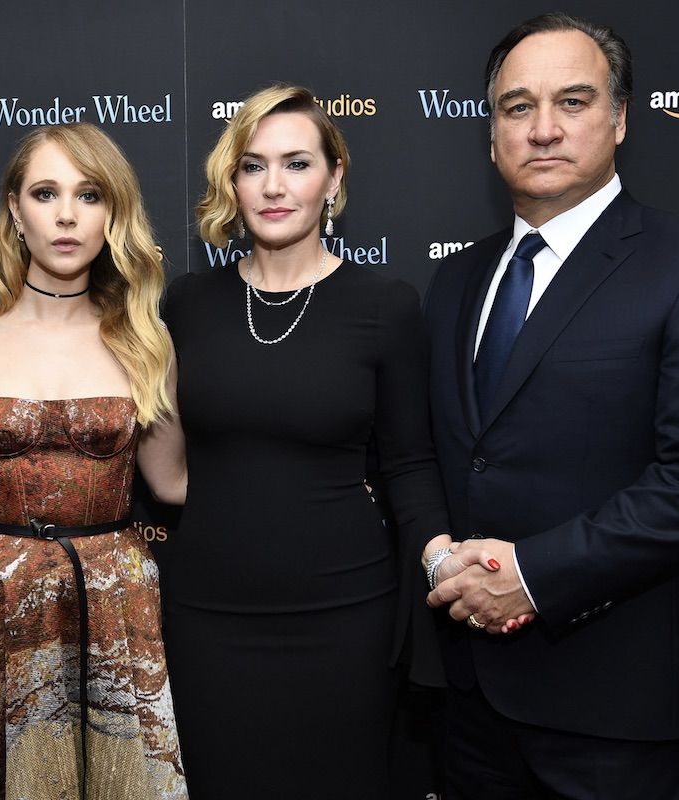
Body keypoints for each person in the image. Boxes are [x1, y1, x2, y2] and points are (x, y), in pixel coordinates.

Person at [422, 13, 679, 799]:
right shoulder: (454, 282)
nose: (543, 128)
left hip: (619, 708)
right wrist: (440, 558)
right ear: (492, 134)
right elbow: (443, 454)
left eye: (573, 101)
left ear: (619, 119)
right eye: (518, 107)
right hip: (469, 702)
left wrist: (534, 575)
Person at [162, 84, 451, 799]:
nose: (274, 186)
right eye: (253, 166)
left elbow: (411, 463)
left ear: (334, 177)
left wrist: (441, 558)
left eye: (297, 163)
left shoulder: (385, 306)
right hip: (208, 616)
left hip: (346, 615)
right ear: (232, 182)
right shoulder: (187, 303)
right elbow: (160, 467)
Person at [0, 123, 188, 799]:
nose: (68, 215)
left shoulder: (146, 338)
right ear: (16, 211)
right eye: (46, 193)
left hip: (116, 604)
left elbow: (171, 483)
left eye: (89, 194)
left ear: (113, 214)